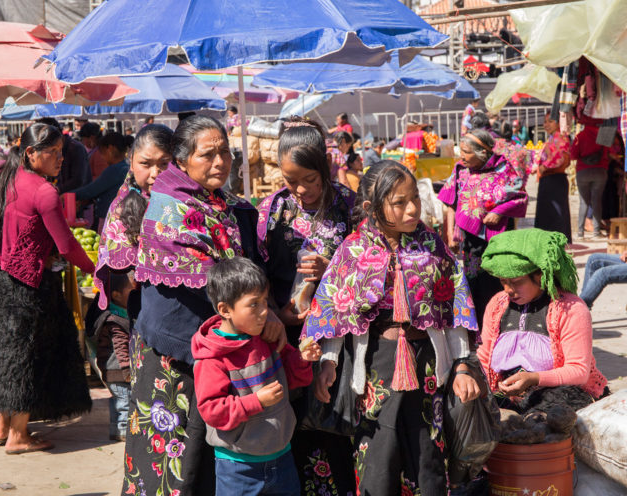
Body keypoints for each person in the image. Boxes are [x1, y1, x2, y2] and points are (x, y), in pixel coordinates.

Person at [122, 116, 286, 496]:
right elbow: (215, 280)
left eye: (225, 152)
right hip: (176, 355)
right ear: (181, 160)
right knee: (177, 460)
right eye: (208, 154)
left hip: (224, 345)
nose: (220, 162)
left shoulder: (230, 205)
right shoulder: (168, 209)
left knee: (218, 456)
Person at [306, 160, 479, 495]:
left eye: (414, 198)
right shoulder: (353, 250)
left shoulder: (432, 247)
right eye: (399, 203)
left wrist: (461, 365)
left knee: (427, 449)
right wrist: (329, 362)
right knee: (378, 453)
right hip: (376, 364)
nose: (412, 208)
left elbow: (451, 308)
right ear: (372, 207)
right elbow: (337, 310)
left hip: (426, 362)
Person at [256, 118, 356, 494]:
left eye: (309, 179)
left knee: (336, 422)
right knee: (293, 423)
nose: (299, 190)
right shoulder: (272, 210)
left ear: (325, 168)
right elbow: (257, 272)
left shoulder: (348, 205)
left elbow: (373, 266)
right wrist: (274, 314)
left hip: (338, 339)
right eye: (289, 180)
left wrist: (333, 265)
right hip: (287, 336)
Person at [0, 123, 94, 454]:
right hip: (28, 284)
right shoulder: (44, 192)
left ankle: (0, 426)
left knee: (3, 352)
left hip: (0, 277)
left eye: (62, 153)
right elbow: (67, 246)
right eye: (52, 152)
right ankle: (18, 436)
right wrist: (98, 269)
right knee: (26, 357)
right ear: (30, 153)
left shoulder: (3, 177)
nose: (60, 160)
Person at [192, 257, 321, 496]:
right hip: (238, 468)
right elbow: (212, 410)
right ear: (225, 310)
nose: (265, 312)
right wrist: (256, 401)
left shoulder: (266, 338)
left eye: (265, 301)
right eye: (254, 305)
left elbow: (294, 379)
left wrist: (303, 359)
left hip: (281, 458)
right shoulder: (212, 358)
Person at [477, 228, 608, 414]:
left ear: (540, 275)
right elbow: (484, 356)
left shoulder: (571, 309)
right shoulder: (498, 304)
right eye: (503, 281)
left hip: (558, 395)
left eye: (516, 281)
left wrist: (534, 378)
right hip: (506, 395)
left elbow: (578, 371)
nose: (508, 289)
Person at [439, 128, 528, 327]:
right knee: (473, 282)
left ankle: (500, 324)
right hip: (470, 239)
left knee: (497, 281)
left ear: (483, 152)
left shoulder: (504, 170)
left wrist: (499, 211)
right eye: (460, 150)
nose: (462, 156)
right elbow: (450, 203)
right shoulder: (461, 170)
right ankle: (478, 329)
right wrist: (450, 232)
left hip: (498, 238)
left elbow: (520, 196)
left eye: (466, 151)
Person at [93, 124, 173, 311]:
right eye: (145, 164)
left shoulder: (192, 205)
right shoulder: (122, 208)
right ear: (131, 162)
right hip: (144, 310)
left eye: (164, 164)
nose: (155, 174)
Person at [90, 270, 136, 441]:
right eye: (130, 290)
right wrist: (127, 371)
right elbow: (120, 349)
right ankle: (123, 431)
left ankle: (115, 429)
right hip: (118, 371)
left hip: (112, 371)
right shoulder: (115, 321)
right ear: (116, 295)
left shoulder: (115, 315)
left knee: (117, 401)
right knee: (125, 402)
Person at [72, 131, 130, 230]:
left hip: (109, 218)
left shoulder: (115, 169)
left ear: (110, 149)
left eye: (102, 153)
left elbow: (91, 190)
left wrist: (68, 195)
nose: (102, 157)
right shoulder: (125, 167)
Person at [534, 112, 573, 243]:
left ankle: (555, 243)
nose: (546, 125)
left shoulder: (560, 137)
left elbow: (559, 157)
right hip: (549, 180)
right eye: (545, 122)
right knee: (549, 214)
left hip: (555, 179)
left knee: (555, 215)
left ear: (558, 123)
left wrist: (543, 167)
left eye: (550, 121)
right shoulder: (552, 138)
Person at [571, 124, 609, 240]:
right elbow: (608, 154)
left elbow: (573, 155)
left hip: (583, 171)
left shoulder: (580, 136)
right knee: (597, 201)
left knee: (584, 202)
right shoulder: (603, 136)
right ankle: (596, 232)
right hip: (600, 171)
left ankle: (580, 233)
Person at [36, 117, 91, 193]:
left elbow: (78, 180)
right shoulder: (53, 150)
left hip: (77, 200)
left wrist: (56, 190)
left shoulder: (76, 148)